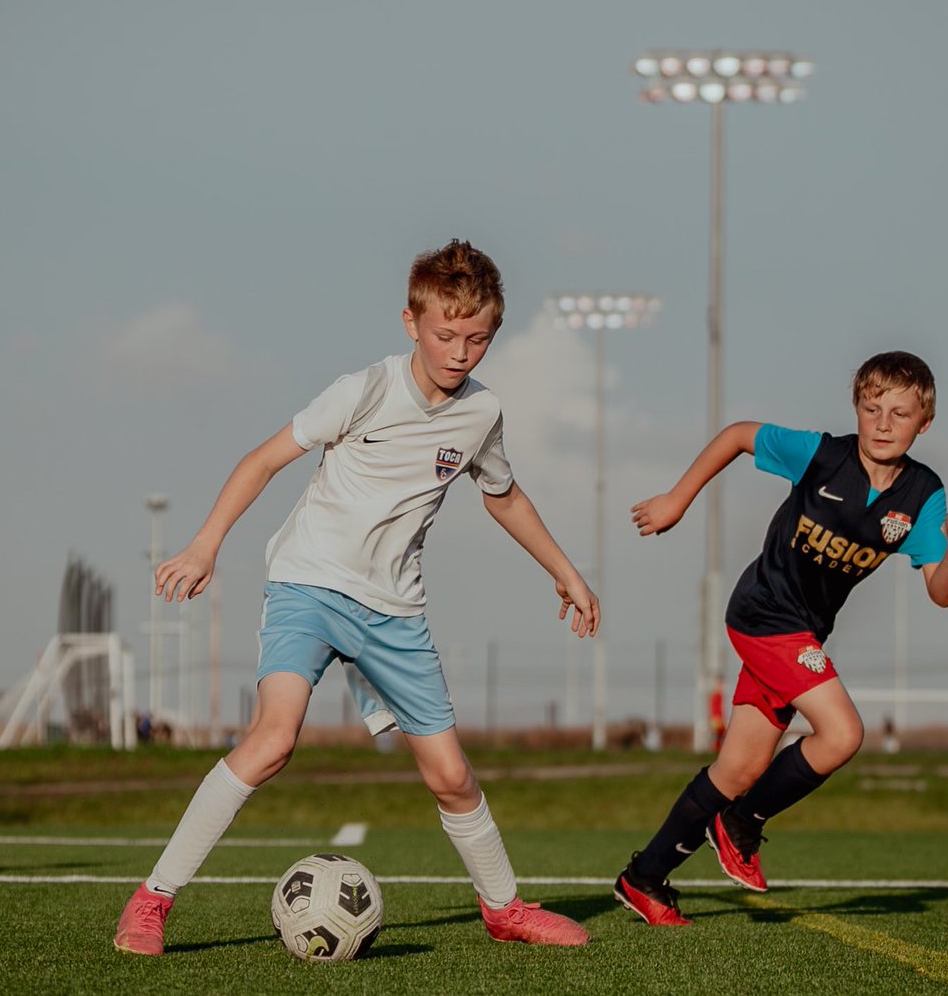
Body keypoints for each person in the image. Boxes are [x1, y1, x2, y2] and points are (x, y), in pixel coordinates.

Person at [114, 239, 600, 955]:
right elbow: (264, 458)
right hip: (308, 583)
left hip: (395, 611)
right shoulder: (363, 390)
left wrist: (565, 569)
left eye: (477, 337)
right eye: (445, 334)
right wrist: (204, 543)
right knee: (273, 738)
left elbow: (504, 495)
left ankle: (505, 909)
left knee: (452, 775)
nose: (460, 351)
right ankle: (151, 900)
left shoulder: (481, 414)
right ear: (411, 321)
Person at [612, 351, 948, 927]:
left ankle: (645, 877)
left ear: (923, 423)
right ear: (856, 409)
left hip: (802, 633)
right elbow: (737, 436)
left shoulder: (923, 496)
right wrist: (676, 500)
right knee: (842, 734)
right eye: (872, 408)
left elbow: (943, 593)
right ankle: (739, 823)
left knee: (736, 770)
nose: (884, 423)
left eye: (900, 413)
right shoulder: (822, 455)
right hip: (763, 613)